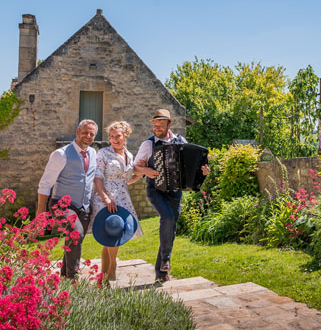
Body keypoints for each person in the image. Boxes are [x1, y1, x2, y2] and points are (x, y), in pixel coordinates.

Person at [134, 109, 209, 282]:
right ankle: (166, 259)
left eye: (161, 124)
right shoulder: (149, 144)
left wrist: (202, 171)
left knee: (171, 229)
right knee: (167, 218)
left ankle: (161, 272)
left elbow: (193, 164)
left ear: (170, 124)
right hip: (155, 189)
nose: (157, 127)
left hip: (175, 192)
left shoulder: (180, 141)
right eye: (155, 124)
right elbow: (135, 168)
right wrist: (147, 170)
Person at [36, 119, 98, 280]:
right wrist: (41, 211)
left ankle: (63, 276)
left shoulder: (93, 153)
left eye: (92, 134)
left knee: (75, 238)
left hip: (83, 206)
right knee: (76, 233)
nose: (88, 136)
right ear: (77, 132)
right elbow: (45, 184)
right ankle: (73, 278)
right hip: (62, 205)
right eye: (85, 132)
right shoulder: (61, 154)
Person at [91, 121, 152, 282]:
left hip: (122, 197)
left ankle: (102, 278)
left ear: (125, 136)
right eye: (111, 136)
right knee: (113, 232)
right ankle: (112, 269)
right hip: (105, 198)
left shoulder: (130, 155)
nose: (114, 139)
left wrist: (141, 173)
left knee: (109, 238)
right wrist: (106, 198)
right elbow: (97, 177)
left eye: (117, 136)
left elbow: (128, 178)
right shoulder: (103, 153)